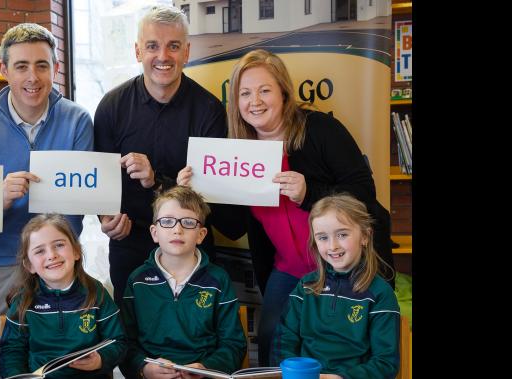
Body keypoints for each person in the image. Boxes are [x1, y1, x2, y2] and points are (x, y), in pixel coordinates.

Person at [178, 48, 396, 366]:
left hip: (344, 268)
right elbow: (235, 225)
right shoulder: (238, 154)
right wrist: (200, 195)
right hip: (287, 271)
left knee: (343, 353)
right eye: (245, 93)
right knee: (273, 350)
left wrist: (310, 192)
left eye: (265, 90)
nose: (256, 101)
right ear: (235, 102)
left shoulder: (320, 129)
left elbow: (364, 192)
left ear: (283, 91)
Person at [0, 23, 93, 379]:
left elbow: (83, 195)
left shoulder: (78, 120)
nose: (32, 77)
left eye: (42, 65)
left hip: (55, 262)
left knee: (62, 361)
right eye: (21, 66)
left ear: (56, 68)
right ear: (3, 70)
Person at [94, 4, 246, 306]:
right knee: (132, 336)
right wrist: (106, 217)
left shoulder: (209, 111)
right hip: (131, 243)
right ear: (138, 51)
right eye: (152, 46)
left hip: (191, 244)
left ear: (186, 53)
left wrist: (155, 181)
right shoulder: (111, 107)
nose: (163, 56)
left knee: (193, 334)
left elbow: (213, 195)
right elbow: (99, 181)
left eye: (173, 46)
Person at [121, 186, 246, 379]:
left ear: (201, 235)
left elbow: (234, 344)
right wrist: (144, 368)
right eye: (168, 221)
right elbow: (125, 342)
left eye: (188, 222)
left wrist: (207, 368)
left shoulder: (218, 280)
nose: (177, 230)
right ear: (154, 232)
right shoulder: (137, 281)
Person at [271, 194, 399, 379]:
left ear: (365, 236)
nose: (333, 246)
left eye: (342, 234)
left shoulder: (380, 293)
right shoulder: (305, 287)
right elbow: (284, 343)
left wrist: (342, 378)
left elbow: (386, 363)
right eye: (323, 237)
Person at [0, 214, 126, 378]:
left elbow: (118, 341)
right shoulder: (23, 301)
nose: (51, 255)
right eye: (40, 251)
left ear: (76, 251)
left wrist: (100, 359)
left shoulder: (97, 293)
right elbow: (11, 351)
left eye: (59, 245)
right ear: (30, 265)